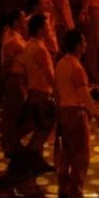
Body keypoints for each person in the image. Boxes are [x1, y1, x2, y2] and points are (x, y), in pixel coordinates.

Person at [54, 29, 99, 198]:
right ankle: (75, 196)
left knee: (65, 155)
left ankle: (62, 192)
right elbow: (84, 96)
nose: (86, 45)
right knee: (80, 157)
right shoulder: (76, 67)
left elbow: (58, 90)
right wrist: (98, 119)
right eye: (83, 42)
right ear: (77, 45)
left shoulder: (61, 63)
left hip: (63, 112)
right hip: (76, 114)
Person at [19, 14, 57, 175]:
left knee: (40, 128)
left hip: (33, 92)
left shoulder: (29, 46)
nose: (49, 28)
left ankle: (37, 162)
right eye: (47, 26)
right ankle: (29, 158)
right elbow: (49, 74)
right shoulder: (40, 49)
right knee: (44, 128)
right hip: (41, 93)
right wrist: (57, 91)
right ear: (40, 29)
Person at [0, 10, 29, 166]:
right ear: (16, 22)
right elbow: (6, 65)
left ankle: (13, 144)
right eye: (22, 19)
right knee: (14, 115)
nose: (25, 21)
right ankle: (11, 146)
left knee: (15, 114)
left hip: (20, 80)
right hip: (14, 80)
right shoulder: (11, 40)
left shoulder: (15, 36)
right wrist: (2, 85)